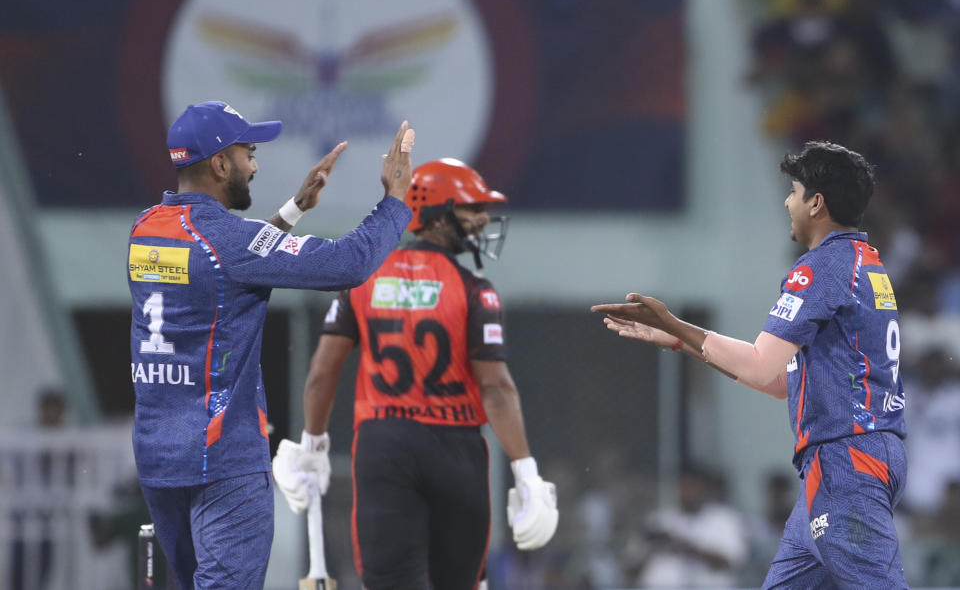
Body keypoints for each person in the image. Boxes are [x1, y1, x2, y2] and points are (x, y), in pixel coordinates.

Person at [592, 141, 908, 588]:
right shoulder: (868, 266)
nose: (786, 201)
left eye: (794, 191)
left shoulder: (820, 268)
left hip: (845, 460)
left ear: (817, 203)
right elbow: (781, 381)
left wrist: (676, 323)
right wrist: (685, 343)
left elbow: (760, 366)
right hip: (852, 457)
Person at [127, 100, 415, 590]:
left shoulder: (145, 229)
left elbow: (224, 267)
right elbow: (349, 265)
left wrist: (293, 210)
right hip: (223, 462)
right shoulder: (229, 243)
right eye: (249, 152)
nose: (255, 165)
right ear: (220, 164)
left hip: (160, 460)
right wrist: (395, 201)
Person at [272, 158, 559, 590]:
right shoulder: (474, 289)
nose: (483, 220)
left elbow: (321, 373)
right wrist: (526, 472)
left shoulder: (363, 278)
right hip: (456, 450)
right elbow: (496, 387)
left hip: (383, 446)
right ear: (436, 214)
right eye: (471, 209)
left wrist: (312, 444)